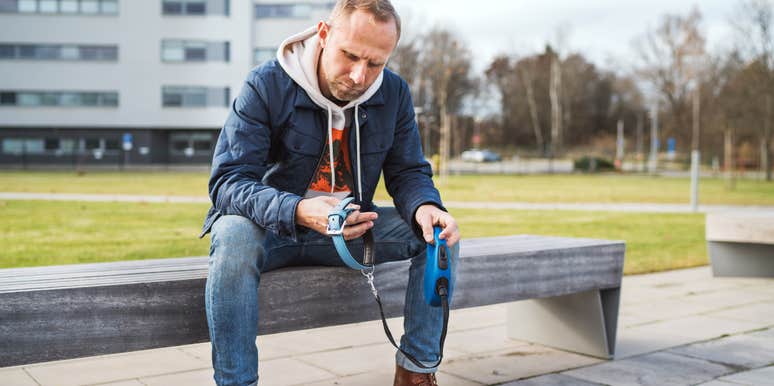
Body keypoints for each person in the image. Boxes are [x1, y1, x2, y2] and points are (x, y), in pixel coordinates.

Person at [201, 1, 460, 385]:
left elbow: (407, 172)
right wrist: (299, 210)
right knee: (234, 233)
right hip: (273, 230)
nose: (359, 75)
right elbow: (228, 181)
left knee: (438, 235)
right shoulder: (267, 84)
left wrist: (424, 205)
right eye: (350, 56)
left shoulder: (395, 93)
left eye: (375, 64)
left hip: (349, 232)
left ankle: (416, 372)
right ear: (324, 34)